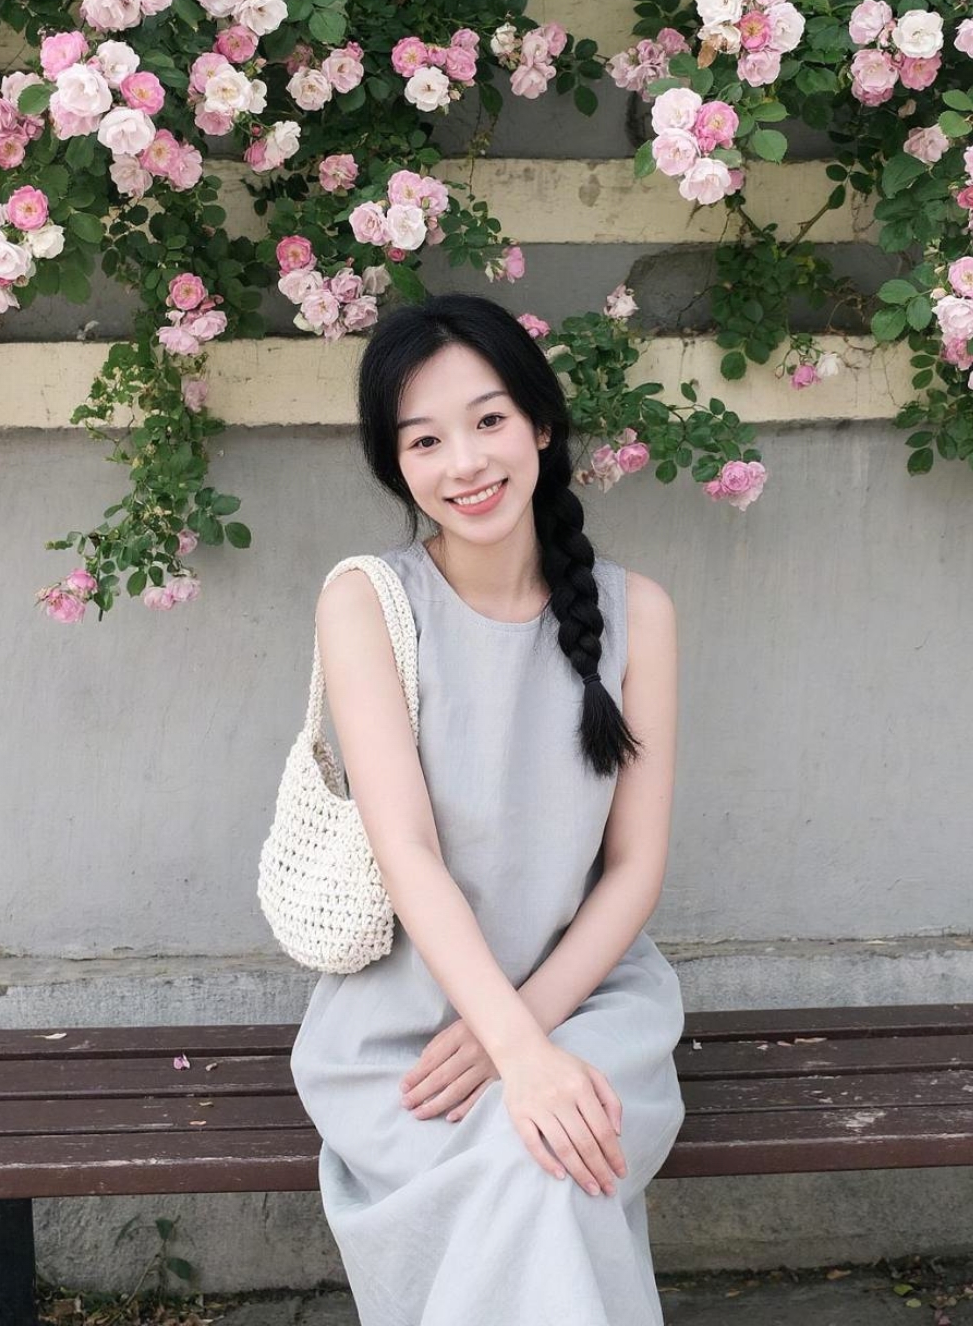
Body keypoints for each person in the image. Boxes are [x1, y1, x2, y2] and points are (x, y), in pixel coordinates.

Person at [288, 291, 685, 1325]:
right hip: (406, 1038)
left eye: (489, 420)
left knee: (553, 1151)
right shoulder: (365, 602)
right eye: (424, 439)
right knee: (535, 1170)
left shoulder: (637, 613)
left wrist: (530, 1036)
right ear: (396, 464)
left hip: (590, 1007)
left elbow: (635, 868)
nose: (463, 463)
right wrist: (509, 1050)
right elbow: (406, 850)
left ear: (541, 425)